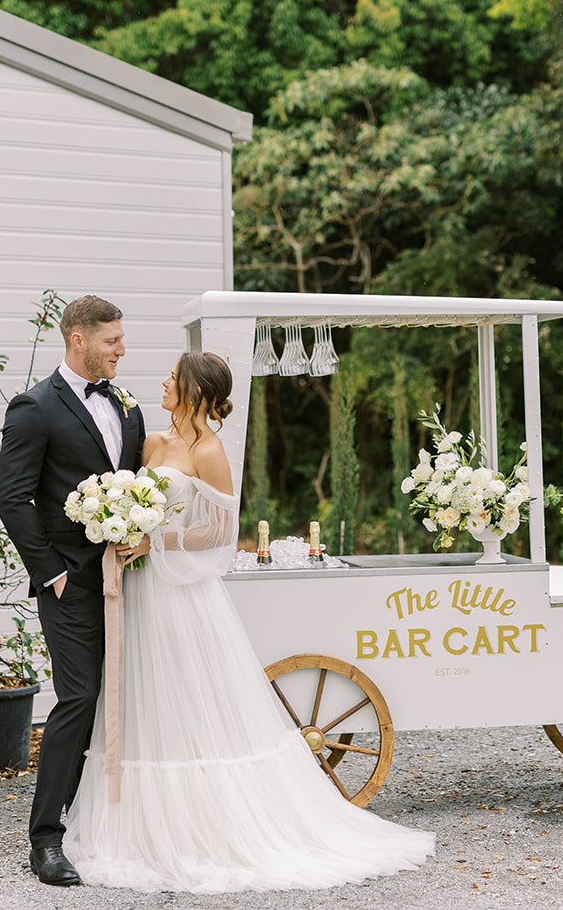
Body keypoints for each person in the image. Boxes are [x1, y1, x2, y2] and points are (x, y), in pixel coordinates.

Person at [65, 351, 434, 892]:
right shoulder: (151, 441)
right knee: (144, 694)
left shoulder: (210, 450)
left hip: (180, 592)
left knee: (189, 695)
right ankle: (135, 829)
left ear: (194, 391)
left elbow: (218, 532)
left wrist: (154, 538)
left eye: (173, 378)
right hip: (142, 587)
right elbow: (137, 497)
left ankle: (206, 829)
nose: (164, 383)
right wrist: (120, 526)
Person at [0, 295, 145, 887]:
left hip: (131, 578)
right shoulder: (34, 407)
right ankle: (46, 838)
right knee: (79, 698)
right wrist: (52, 573)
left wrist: (144, 538)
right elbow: (14, 498)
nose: (122, 350)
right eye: (112, 341)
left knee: (130, 697)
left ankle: (110, 824)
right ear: (78, 340)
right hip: (71, 584)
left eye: (121, 339)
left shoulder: (128, 407)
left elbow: (138, 485)